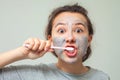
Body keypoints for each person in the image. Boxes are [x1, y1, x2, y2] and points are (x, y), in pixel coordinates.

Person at [0, 3, 110, 80]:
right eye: (61, 30)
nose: (70, 38)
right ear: (50, 40)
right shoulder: (31, 75)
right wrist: (22, 53)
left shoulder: (102, 78)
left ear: (89, 39)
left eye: (78, 30)